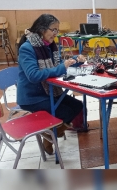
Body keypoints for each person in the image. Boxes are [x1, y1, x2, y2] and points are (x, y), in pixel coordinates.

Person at [17, 14, 86, 155]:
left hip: (48, 91)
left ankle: (49, 135)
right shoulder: (27, 48)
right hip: (32, 97)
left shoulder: (49, 46)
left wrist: (74, 60)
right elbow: (33, 75)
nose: (56, 34)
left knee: (78, 106)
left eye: (57, 30)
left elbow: (56, 65)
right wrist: (62, 67)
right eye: (53, 30)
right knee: (65, 112)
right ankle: (50, 136)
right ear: (42, 29)